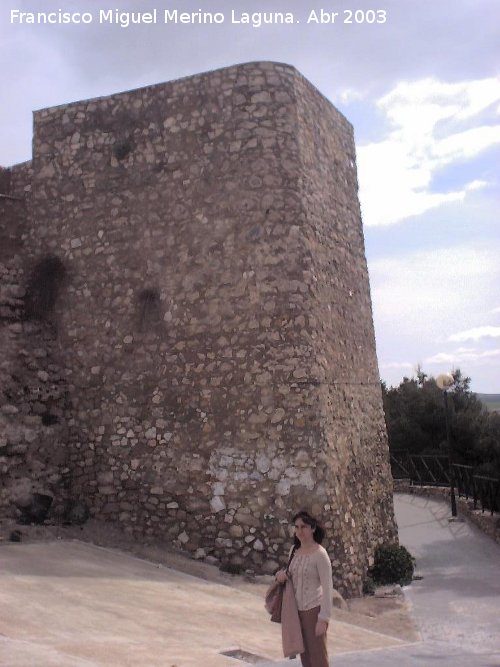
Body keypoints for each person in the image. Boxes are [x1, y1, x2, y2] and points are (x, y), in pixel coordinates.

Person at [275, 511, 333, 667]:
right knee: (305, 658)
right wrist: (281, 575)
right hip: (295, 612)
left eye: (304, 527)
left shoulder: (320, 555)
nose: (300, 531)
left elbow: (328, 589)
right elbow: (291, 575)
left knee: (319, 658)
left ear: (313, 528)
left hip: (313, 611)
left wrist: (324, 619)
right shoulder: (294, 550)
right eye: (297, 527)